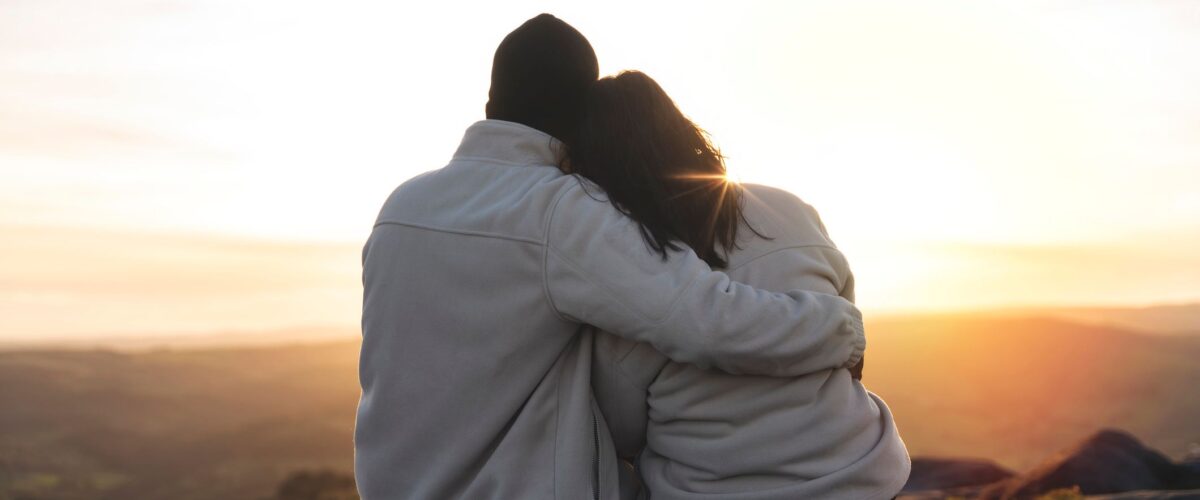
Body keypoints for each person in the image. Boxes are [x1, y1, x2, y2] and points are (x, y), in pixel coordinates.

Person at [354, 15, 867, 499]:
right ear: (580, 116)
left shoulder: (400, 206)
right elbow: (708, 321)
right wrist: (840, 327)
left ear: (491, 98)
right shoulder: (563, 210)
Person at [575, 71, 911, 500]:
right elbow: (850, 341)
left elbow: (622, 431)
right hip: (863, 475)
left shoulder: (630, 276)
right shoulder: (789, 209)